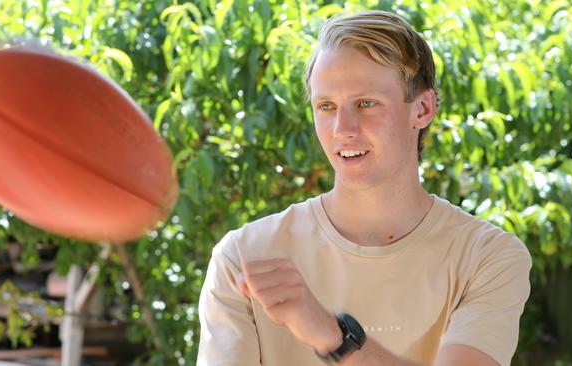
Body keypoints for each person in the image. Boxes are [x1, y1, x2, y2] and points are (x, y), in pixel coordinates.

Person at [197, 10, 532, 366]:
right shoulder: (243, 258)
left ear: (423, 108)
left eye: (366, 103)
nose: (343, 128)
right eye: (326, 106)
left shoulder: (488, 257)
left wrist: (331, 336)